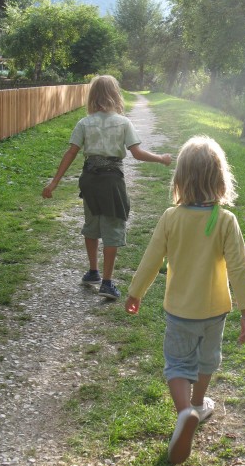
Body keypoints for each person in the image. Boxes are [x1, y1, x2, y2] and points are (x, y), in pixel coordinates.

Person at [124, 135, 245, 464]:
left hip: (180, 310)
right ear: (219, 179)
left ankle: (185, 412)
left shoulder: (171, 217)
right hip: (215, 311)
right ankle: (198, 403)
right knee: (207, 359)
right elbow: (239, 268)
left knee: (178, 364)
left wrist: (135, 292)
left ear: (180, 179)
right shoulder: (226, 221)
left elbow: (152, 258)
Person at [42, 75, 172, 300]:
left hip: (90, 181)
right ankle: (107, 283)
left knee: (92, 224)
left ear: (93, 96)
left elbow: (71, 152)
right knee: (113, 227)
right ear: (115, 95)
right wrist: (161, 158)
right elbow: (137, 153)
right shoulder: (123, 122)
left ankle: (93, 271)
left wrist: (54, 182)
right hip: (112, 182)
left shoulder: (85, 123)